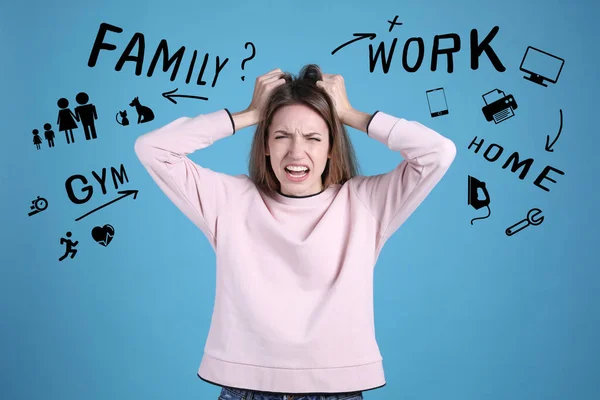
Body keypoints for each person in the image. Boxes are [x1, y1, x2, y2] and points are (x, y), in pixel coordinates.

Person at [134, 64, 457, 400]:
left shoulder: (364, 204)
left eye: (313, 138)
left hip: (336, 390)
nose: (296, 152)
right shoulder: (230, 202)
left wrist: (348, 113)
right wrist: (247, 115)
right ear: (266, 146)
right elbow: (153, 148)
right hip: (248, 389)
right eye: (282, 136)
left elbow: (437, 152)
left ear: (332, 147)